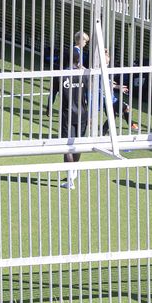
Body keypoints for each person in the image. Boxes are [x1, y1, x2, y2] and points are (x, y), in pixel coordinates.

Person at [48, 32, 90, 189]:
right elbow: (89, 95)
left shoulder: (62, 75)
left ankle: (70, 178)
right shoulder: (84, 75)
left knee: (67, 144)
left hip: (68, 113)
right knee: (78, 143)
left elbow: (53, 91)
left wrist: (49, 106)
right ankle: (74, 172)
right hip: (83, 113)